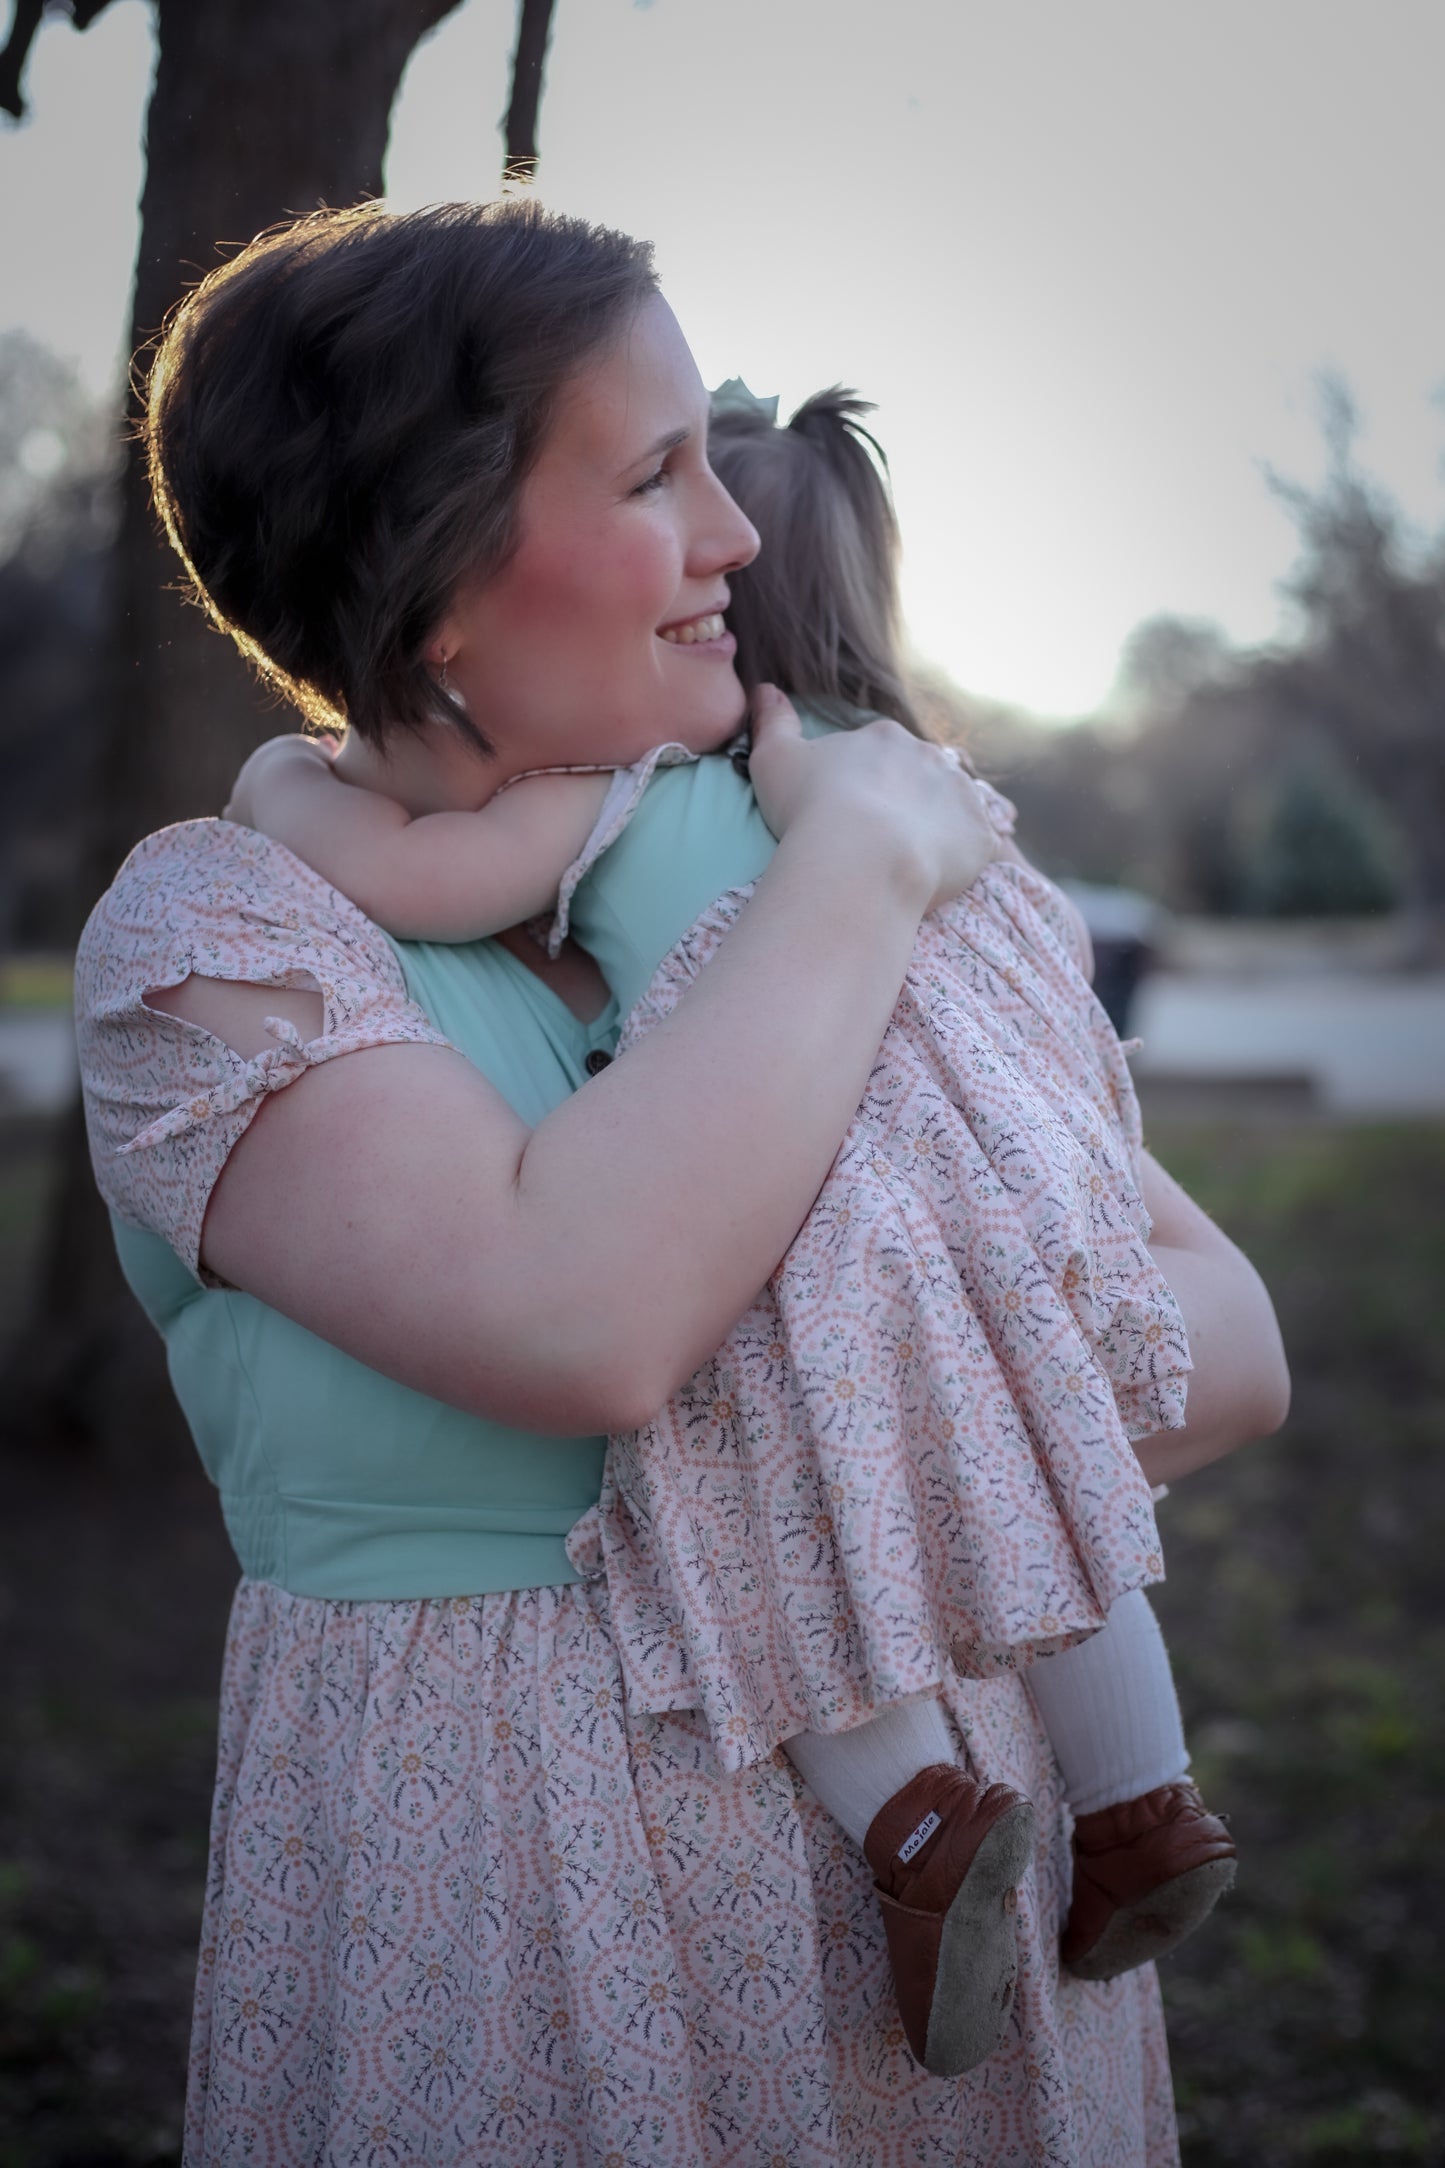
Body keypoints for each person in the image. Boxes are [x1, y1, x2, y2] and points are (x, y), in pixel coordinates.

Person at [73, 197, 1288, 2167]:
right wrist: (861, 869)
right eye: (654, 473)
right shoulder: (225, 937)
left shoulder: (875, 825)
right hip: (517, 1909)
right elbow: (591, 1320)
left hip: (976, 1932)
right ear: (438, 582)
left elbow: (1232, 1346)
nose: (734, 530)